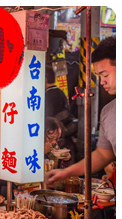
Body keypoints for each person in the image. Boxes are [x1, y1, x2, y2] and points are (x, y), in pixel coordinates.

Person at [47, 36, 116, 187]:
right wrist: (68, 172)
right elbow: (103, 154)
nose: (101, 81)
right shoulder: (108, 112)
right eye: (99, 76)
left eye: (105, 75)